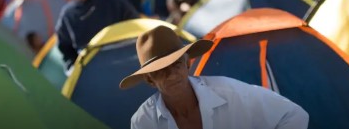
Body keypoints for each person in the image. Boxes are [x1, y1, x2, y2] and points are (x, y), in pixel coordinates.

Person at [120, 26, 309, 129]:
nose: (171, 74)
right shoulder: (143, 122)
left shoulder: (230, 93)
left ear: (188, 64)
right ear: (150, 80)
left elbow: (294, 116)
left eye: (176, 63)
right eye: (161, 69)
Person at [56, 0, 140, 69]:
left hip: (124, 60)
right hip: (94, 70)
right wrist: (74, 68)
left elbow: (135, 26)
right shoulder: (68, 15)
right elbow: (65, 48)